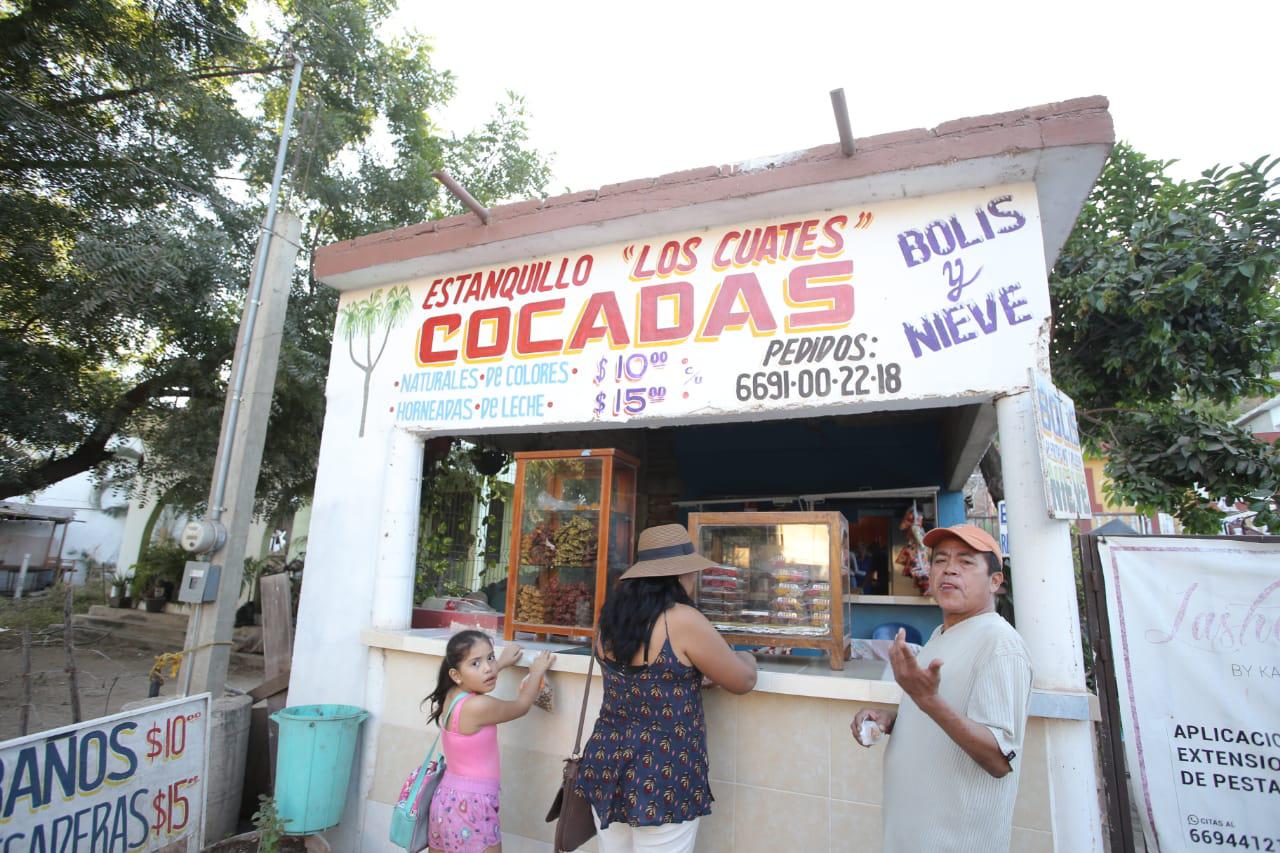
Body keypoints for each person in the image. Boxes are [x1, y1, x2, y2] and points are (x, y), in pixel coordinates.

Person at [577, 523, 759, 852]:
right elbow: (742, 681)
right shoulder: (682, 618)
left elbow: (644, 678)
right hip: (662, 776)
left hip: (605, 764)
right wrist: (747, 655)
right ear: (679, 575)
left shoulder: (609, 617)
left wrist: (688, 677)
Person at [851, 523, 1032, 853]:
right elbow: (940, 711)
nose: (949, 568)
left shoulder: (1000, 644)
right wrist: (891, 720)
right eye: (940, 560)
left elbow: (998, 759)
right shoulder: (941, 634)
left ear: (995, 582)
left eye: (966, 561)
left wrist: (925, 700)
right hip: (912, 835)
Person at [422, 629, 554, 853]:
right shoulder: (479, 707)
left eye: (490, 657)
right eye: (476, 663)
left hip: (445, 800)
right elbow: (521, 706)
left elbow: (474, 680)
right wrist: (537, 672)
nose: (487, 668)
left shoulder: (452, 695)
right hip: (473, 805)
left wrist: (500, 664)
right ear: (456, 674)